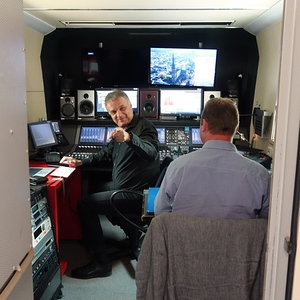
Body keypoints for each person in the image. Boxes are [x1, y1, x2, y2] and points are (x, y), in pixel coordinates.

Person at [60, 89, 160, 279]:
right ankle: (129, 235)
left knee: (85, 205)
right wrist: (81, 162)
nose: (119, 115)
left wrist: (129, 139)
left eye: (122, 108)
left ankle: (101, 264)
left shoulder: (144, 127)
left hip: (136, 194)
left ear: (131, 106)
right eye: (113, 112)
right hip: (122, 188)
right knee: (92, 190)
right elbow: (105, 155)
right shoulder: (120, 131)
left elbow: (151, 152)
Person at [154, 97, 270, 219]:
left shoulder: (176, 167)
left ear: (204, 125)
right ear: (236, 128)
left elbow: (159, 215)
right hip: (237, 239)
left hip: (186, 238)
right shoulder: (260, 175)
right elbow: (266, 225)